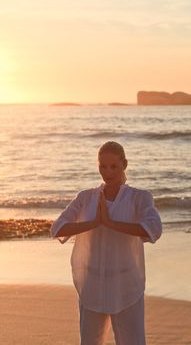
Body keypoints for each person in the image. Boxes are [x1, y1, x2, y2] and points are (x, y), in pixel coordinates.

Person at [50, 141, 162, 345]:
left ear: (124, 165)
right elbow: (57, 228)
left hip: (126, 284)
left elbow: (153, 229)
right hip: (92, 284)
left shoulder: (139, 197)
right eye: (103, 166)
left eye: (113, 166)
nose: (107, 172)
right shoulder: (86, 197)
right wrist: (94, 223)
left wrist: (110, 223)